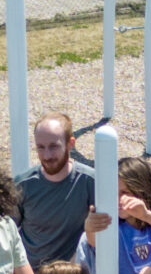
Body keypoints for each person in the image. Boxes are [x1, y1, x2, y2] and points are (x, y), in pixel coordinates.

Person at [15, 113, 97, 266]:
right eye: (41, 147)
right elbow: (6, 233)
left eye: (54, 147)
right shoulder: (22, 185)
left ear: (70, 144)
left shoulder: (90, 182)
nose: (47, 155)